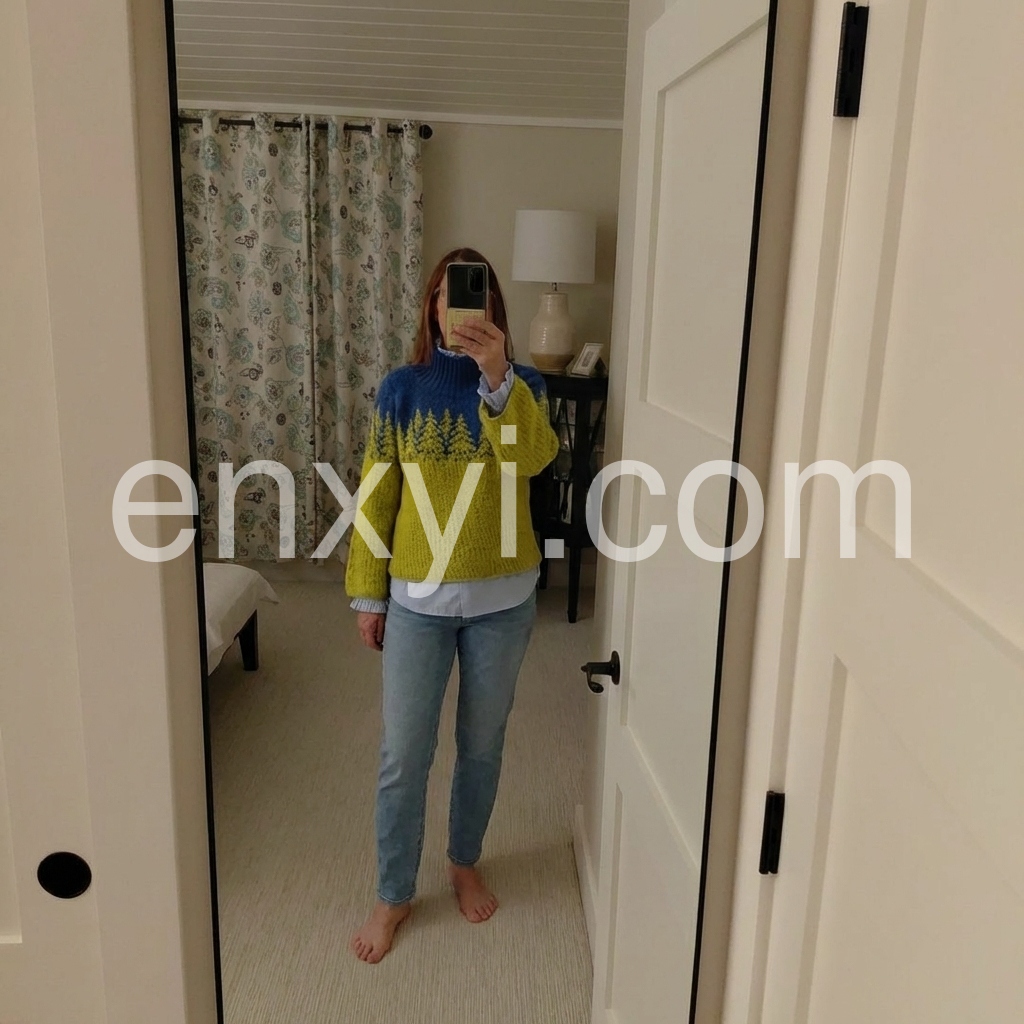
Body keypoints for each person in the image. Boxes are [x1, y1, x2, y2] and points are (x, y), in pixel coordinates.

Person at [345, 247, 560, 963]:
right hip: (417, 599)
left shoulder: (524, 385)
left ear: (493, 308)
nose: (458, 307)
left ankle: (464, 862)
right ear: (432, 308)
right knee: (403, 754)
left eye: (474, 294)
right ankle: (394, 893)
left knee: (482, 745)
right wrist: (368, 592)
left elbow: (533, 461)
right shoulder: (402, 389)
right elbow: (378, 491)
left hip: (504, 600)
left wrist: (498, 381)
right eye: (446, 294)